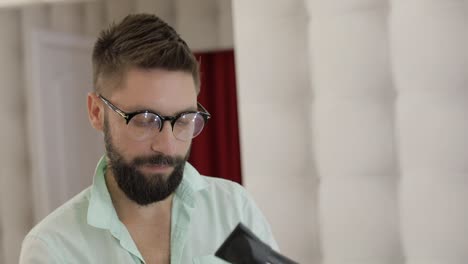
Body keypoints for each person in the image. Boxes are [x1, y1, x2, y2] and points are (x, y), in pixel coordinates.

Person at [19, 13, 277, 264]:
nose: (166, 146)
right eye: (144, 120)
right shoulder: (53, 248)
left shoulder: (233, 208)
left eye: (184, 120)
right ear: (97, 112)